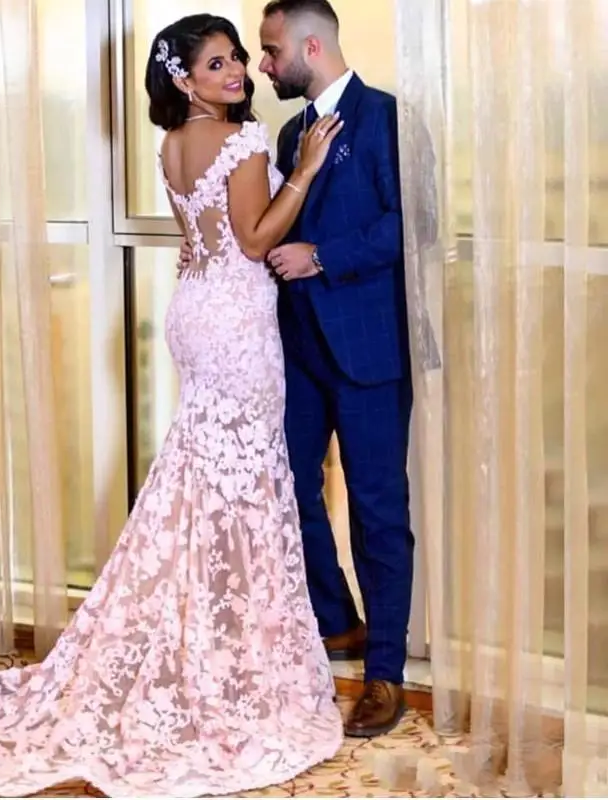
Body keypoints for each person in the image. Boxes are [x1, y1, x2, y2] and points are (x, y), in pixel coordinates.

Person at [0, 14, 345, 798]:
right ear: (183, 78)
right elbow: (252, 241)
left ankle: (213, 645)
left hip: (196, 311)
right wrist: (303, 170)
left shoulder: (171, 144)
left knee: (204, 480)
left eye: (237, 58)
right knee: (241, 485)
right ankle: (232, 662)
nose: (236, 72)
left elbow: (200, 239)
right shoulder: (242, 140)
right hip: (237, 325)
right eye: (217, 63)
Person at [178, 0, 415, 739]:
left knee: (378, 512)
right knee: (285, 486)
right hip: (295, 349)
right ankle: (336, 618)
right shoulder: (286, 132)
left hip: (370, 351)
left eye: (271, 50)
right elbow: (261, 224)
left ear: (311, 47)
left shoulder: (387, 118)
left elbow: (414, 225)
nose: (262, 66)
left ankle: (385, 674)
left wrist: (324, 257)